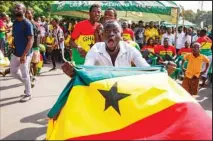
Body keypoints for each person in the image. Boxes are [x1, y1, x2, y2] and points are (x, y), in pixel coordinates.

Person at [62, 20, 150, 78]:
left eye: (115, 31)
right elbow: (86, 70)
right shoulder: (95, 49)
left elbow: (147, 70)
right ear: (102, 35)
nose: (111, 34)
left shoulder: (130, 50)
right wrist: (73, 73)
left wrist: (163, 73)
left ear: (122, 36)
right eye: (107, 31)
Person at [10, 3, 34, 102]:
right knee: (13, 72)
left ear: (23, 10)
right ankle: (27, 83)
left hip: (25, 53)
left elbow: (31, 40)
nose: (16, 9)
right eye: (15, 8)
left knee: (25, 73)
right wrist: (13, 43)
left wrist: (24, 55)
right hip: (16, 52)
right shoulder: (15, 22)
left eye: (18, 8)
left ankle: (28, 94)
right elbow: (15, 36)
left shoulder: (27, 23)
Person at [25, 8, 41, 82]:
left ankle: (34, 76)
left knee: (34, 63)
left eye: (29, 13)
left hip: (34, 47)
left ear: (32, 14)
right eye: (26, 13)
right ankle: (30, 76)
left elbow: (39, 35)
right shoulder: (24, 23)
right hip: (26, 47)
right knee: (27, 64)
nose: (27, 14)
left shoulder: (36, 24)